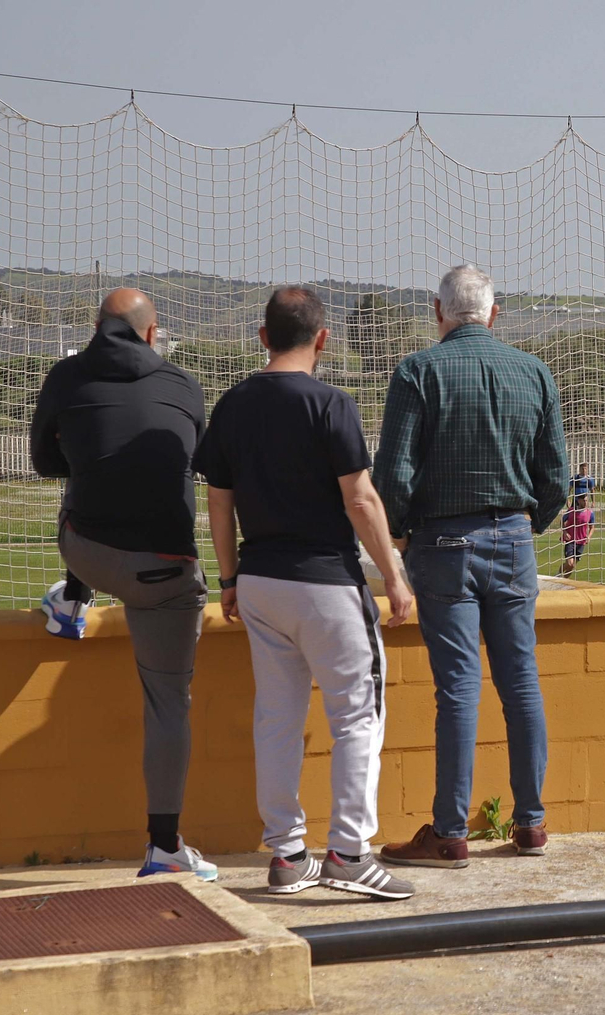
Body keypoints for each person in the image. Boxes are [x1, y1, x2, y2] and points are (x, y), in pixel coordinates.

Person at [196, 287, 416, 900]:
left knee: (277, 716)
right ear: (323, 339)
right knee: (357, 716)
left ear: (262, 337)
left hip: (261, 582)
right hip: (324, 582)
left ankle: (289, 856)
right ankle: (348, 853)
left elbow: (219, 500)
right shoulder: (331, 403)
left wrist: (231, 577)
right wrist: (395, 578)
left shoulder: (233, 404)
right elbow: (361, 499)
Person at [375, 265, 568, 869]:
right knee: (521, 682)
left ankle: (450, 832)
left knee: (457, 689)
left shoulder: (418, 371)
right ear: (495, 312)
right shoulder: (534, 372)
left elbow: (393, 476)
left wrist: (402, 538)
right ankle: (531, 824)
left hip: (442, 545)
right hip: (513, 539)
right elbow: (556, 478)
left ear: (438, 312)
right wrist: (523, 526)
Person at [28, 287, 216, 881]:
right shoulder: (184, 386)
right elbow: (197, 459)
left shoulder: (65, 377)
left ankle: (71, 602)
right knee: (168, 705)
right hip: (166, 574)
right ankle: (164, 850)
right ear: (152, 333)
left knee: (80, 489)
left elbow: (43, 461)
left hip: (90, 552)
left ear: (97, 328)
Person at [559, 496, 593, 577]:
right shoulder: (571, 511)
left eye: (587, 501)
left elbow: (592, 527)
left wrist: (589, 536)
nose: (585, 502)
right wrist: (565, 532)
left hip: (581, 542)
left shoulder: (590, 513)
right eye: (584, 501)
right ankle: (559, 573)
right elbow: (562, 521)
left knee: (573, 566)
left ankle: (564, 581)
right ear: (579, 501)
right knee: (570, 563)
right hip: (571, 541)